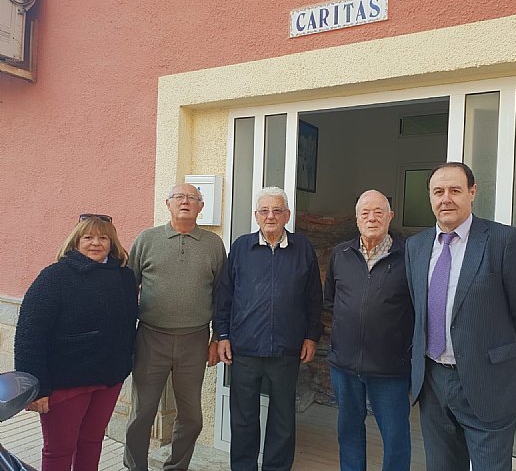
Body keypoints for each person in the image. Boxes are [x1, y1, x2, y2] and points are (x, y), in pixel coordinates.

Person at [405, 162, 516, 471]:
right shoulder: (416, 246)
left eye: (455, 190)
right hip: (433, 383)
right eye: (438, 192)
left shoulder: (503, 241)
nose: (446, 199)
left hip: (487, 384)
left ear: (472, 192)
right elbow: (418, 309)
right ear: (430, 197)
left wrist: (502, 363)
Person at [14, 214, 138, 471]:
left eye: (103, 237)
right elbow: (29, 334)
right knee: (59, 450)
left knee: (91, 443)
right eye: (88, 237)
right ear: (75, 241)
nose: (96, 243)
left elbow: (127, 325)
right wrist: (36, 387)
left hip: (108, 379)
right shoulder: (54, 277)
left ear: (112, 242)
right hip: (64, 383)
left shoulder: (125, 277)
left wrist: (123, 365)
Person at [216, 186, 323, 471]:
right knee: (243, 419)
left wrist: (312, 336)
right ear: (256, 216)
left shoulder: (303, 248)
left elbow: (314, 297)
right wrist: (222, 335)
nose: (270, 216)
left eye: (277, 210)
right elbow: (225, 295)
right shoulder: (241, 247)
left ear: (287, 215)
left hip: (287, 350)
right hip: (244, 349)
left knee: (283, 419)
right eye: (264, 211)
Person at [124, 183, 227, 471]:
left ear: (201, 206)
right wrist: (125, 337)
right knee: (142, 413)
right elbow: (126, 290)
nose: (185, 202)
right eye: (179, 197)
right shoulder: (147, 239)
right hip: (150, 338)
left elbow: (222, 295)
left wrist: (217, 337)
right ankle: (135, 467)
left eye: (192, 198)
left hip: (194, 341)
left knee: (192, 417)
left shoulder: (213, 245)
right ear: (168, 204)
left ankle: (176, 467)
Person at [324, 190, 414, 471]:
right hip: (344, 365)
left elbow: (418, 309)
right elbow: (331, 300)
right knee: (349, 431)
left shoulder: (409, 256)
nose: (371, 218)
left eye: (378, 212)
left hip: (390, 368)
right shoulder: (340, 254)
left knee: (395, 436)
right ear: (356, 219)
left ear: (390, 216)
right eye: (365, 213)